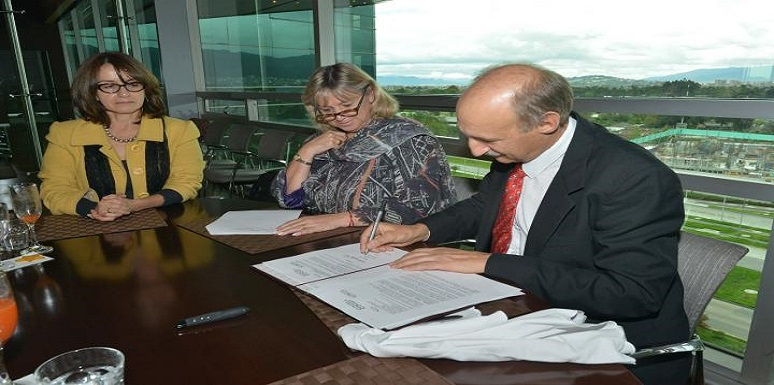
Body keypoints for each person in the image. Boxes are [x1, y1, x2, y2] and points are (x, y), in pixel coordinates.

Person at [360, 63, 690, 385]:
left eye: (487, 139)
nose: (476, 151)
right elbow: (486, 206)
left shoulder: (634, 178)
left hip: (600, 341)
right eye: (469, 136)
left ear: (546, 123)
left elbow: (632, 293)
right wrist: (421, 230)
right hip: (514, 306)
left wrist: (488, 262)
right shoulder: (518, 151)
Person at [271, 63, 456, 235]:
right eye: (327, 111)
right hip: (327, 237)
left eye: (347, 106)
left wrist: (340, 220)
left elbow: (418, 210)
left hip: (388, 242)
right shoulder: (323, 140)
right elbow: (289, 200)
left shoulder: (409, 140)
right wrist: (307, 151)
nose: (339, 117)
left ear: (371, 94)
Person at [39, 52, 204, 221]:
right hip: (94, 231)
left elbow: (187, 182)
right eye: (109, 86)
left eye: (132, 84)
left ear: (145, 89)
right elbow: (54, 189)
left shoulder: (180, 130)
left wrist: (134, 205)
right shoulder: (65, 134)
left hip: (167, 229)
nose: (124, 93)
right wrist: (95, 208)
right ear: (93, 93)